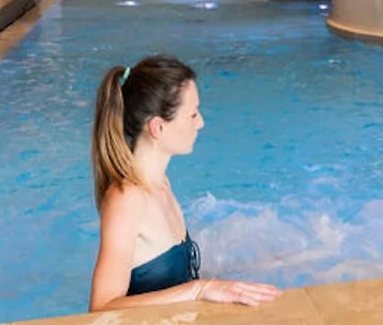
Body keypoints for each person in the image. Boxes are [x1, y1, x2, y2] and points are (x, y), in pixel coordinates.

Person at [88, 55, 281, 311]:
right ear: (158, 127)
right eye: (192, 114)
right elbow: (101, 308)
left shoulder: (160, 185)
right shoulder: (127, 199)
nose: (201, 123)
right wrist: (199, 289)